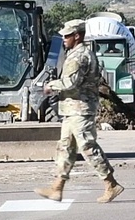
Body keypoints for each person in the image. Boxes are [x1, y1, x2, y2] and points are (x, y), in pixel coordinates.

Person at [35, 19, 124, 203]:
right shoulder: (76, 53)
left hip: (80, 109)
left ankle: (111, 184)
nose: (64, 39)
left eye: (67, 35)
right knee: (65, 148)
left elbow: (70, 82)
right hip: (72, 108)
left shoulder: (79, 56)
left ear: (77, 36)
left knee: (87, 146)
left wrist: (49, 86)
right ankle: (57, 188)